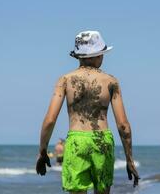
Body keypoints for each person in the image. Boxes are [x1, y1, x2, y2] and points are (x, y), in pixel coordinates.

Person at [36, 30, 140, 194]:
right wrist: (129, 159)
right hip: (102, 141)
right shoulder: (111, 81)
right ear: (97, 55)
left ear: (78, 56)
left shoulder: (64, 80)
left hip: (77, 141)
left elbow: (49, 120)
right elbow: (123, 125)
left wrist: (42, 152)